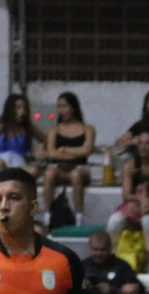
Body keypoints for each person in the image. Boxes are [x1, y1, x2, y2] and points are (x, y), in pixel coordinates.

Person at [106, 129, 149, 271]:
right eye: (141, 143)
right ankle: (111, 259)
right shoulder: (130, 164)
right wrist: (141, 200)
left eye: (148, 143)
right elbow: (127, 194)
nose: (144, 146)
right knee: (114, 221)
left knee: (148, 221)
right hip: (134, 208)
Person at [41, 92, 96, 228]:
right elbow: (52, 153)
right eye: (59, 107)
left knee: (76, 175)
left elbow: (87, 150)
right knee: (49, 174)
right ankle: (47, 214)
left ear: (73, 108)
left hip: (80, 168)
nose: (61, 110)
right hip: (59, 167)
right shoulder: (54, 130)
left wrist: (65, 150)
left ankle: (79, 216)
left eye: (64, 106)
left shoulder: (88, 129)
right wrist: (74, 154)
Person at [0, 94, 45, 180]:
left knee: (34, 170)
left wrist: (41, 148)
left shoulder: (27, 128)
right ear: (11, 109)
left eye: (24, 108)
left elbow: (46, 139)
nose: (22, 112)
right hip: (0, 161)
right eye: (18, 108)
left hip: (19, 163)